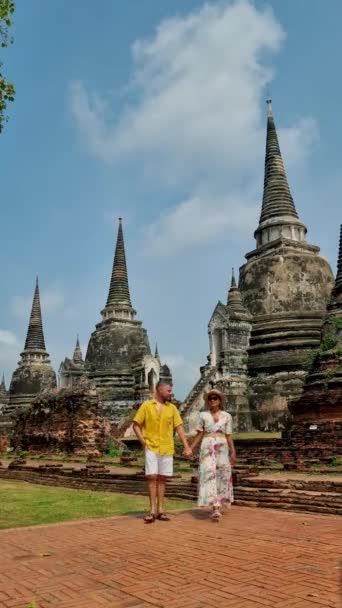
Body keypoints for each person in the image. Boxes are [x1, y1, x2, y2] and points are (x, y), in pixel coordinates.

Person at [133, 381, 192, 523]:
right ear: (159, 390)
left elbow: (179, 428)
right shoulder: (147, 405)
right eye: (168, 391)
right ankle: (152, 509)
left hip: (166, 446)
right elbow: (136, 425)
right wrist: (143, 441)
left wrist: (186, 446)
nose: (170, 393)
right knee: (152, 476)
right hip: (151, 446)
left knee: (162, 478)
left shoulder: (172, 408)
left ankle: (161, 510)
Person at [189, 389, 236, 521]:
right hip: (207, 445)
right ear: (208, 401)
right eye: (210, 399)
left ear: (220, 400)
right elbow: (199, 433)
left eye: (215, 398)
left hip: (222, 445)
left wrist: (233, 451)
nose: (213, 400)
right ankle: (214, 506)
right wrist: (191, 448)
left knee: (222, 474)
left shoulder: (227, 416)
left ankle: (218, 505)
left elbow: (229, 435)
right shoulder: (203, 415)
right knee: (208, 473)